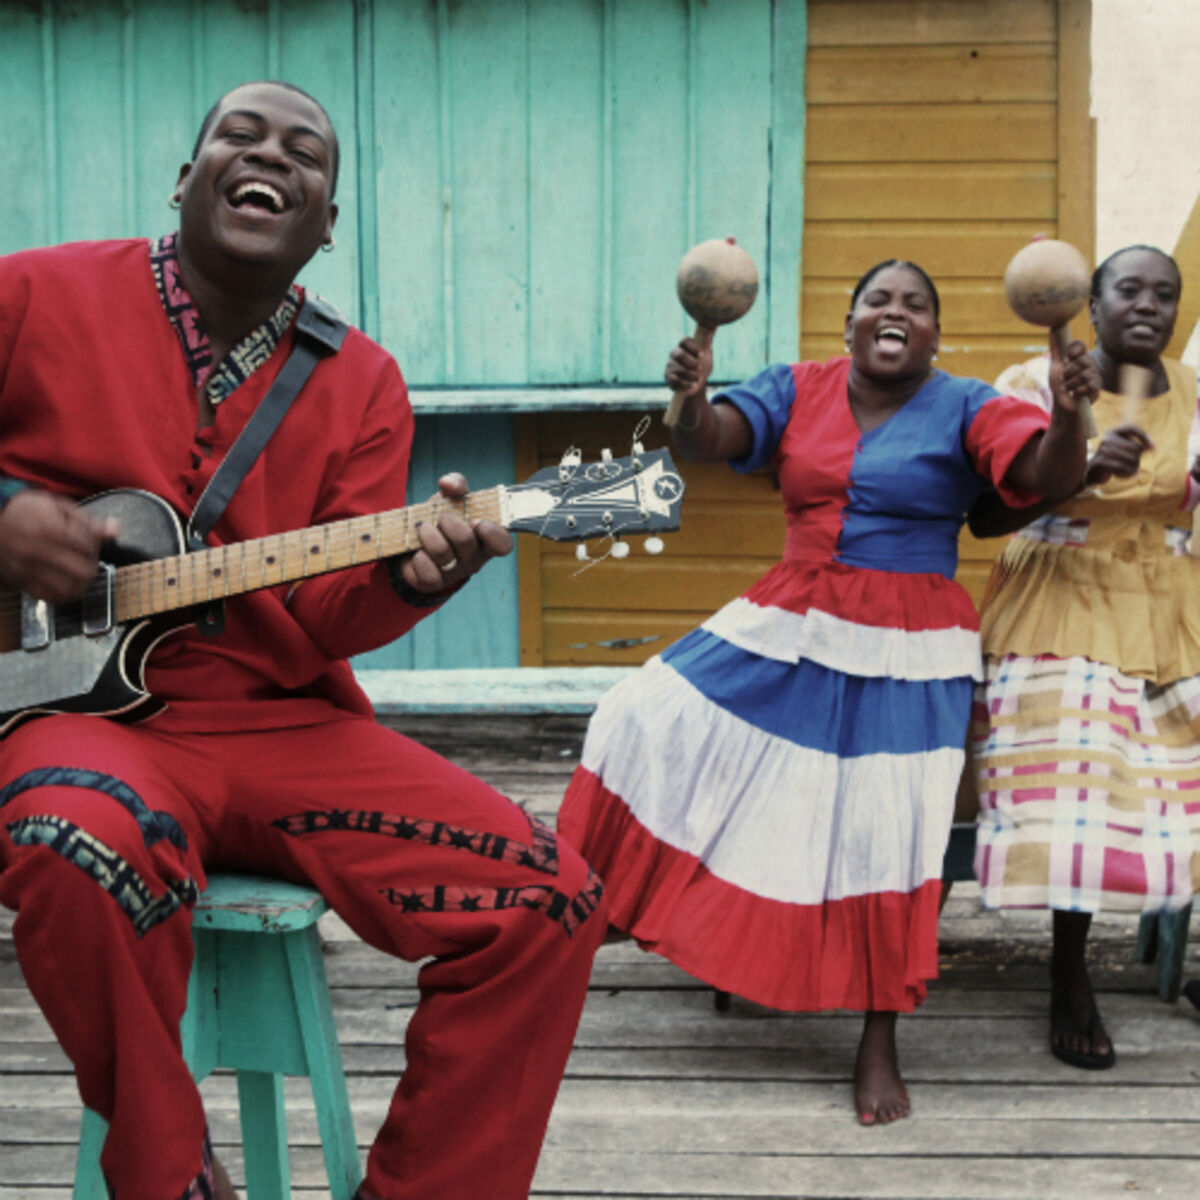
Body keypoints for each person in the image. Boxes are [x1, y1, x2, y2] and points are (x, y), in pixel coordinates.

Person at [0, 81, 607, 1200]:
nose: (271, 153)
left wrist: (416, 579)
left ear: (324, 223)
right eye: (241, 133)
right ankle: (168, 1172)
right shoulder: (33, 292)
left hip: (279, 725)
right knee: (70, 838)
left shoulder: (363, 381)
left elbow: (333, 616)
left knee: (546, 899)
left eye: (307, 153)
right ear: (188, 180)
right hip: (73, 719)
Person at [557, 259, 1097, 1125]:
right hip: (794, 609)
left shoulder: (967, 404)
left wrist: (1071, 414)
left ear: (933, 335)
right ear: (849, 324)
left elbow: (1047, 475)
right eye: (878, 300)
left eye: (917, 305)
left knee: (889, 826)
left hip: (911, 639)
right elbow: (710, 439)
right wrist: (689, 398)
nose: (896, 313)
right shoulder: (798, 387)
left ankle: (876, 1039)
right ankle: (620, 902)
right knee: (638, 715)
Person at [967, 243, 1200, 1071]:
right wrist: (1077, 473)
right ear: (1089, 306)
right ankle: (1069, 975)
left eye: (1164, 294)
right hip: (1062, 597)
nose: (1148, 305)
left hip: (1172, 606)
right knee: (1085, 762)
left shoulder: (1193, 394)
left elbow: (1180, 511)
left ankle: (1186, 952)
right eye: (1128, 290)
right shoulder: (1035, 384)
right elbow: (988, 518)